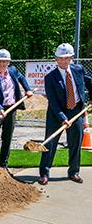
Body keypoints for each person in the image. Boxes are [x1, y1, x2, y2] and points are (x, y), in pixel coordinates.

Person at [38, 43, 92, 185]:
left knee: (76, 143)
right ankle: (44, 173)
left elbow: (89, 82)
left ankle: (74, 172)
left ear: (71, 58)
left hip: (76, 111)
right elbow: (54, 103)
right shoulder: (50, 78)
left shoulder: (78, 70)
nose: (63, 61)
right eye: (60, 58)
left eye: (66, 58)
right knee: (50, 143)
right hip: (56, 114)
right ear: (56, 59)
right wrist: (63, 118)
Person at [0, 49, 32, 167]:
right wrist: (0, 109)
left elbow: (21, 77)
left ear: (8, 62)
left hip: (11, 108)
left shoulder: (13, 71)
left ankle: (3, 165)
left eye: (4, 61)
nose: (2, 64)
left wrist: (27, 89)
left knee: (7, 139)